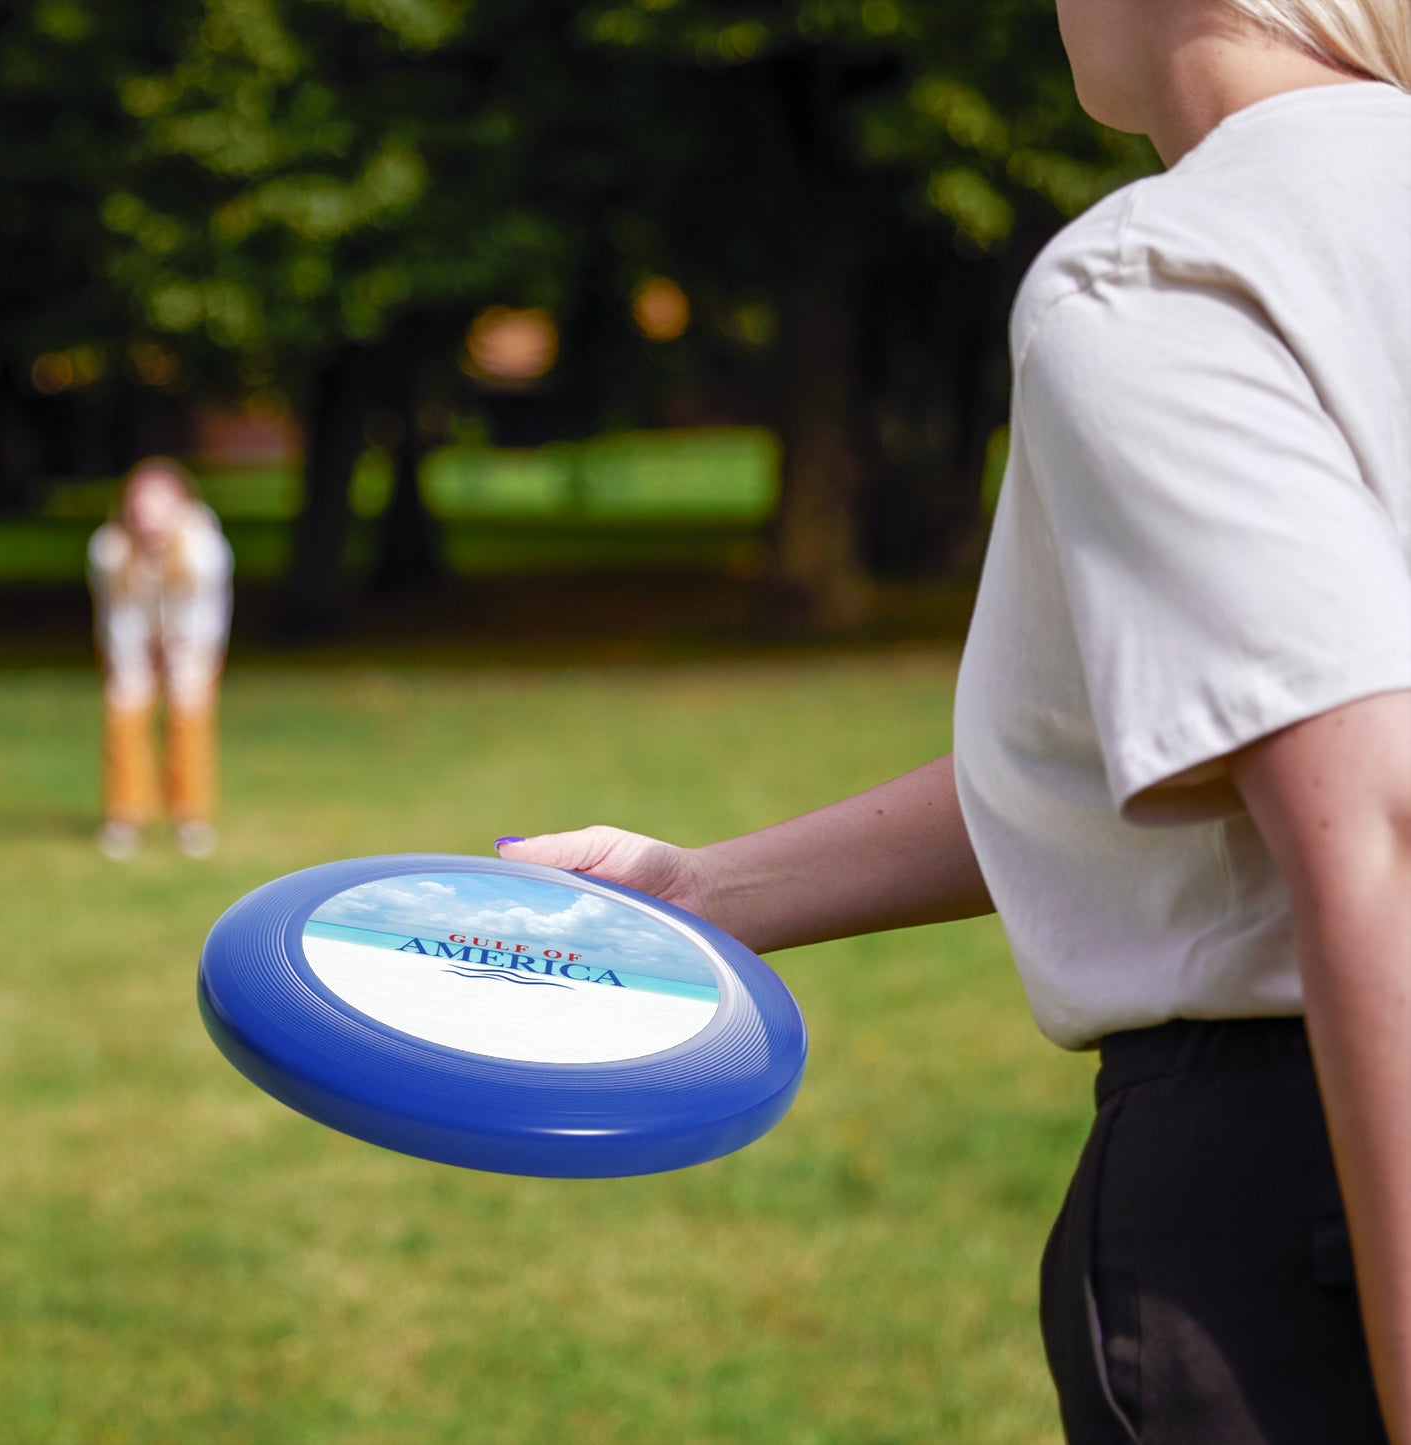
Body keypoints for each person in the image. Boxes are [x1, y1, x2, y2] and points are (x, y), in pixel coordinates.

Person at [495, 2, 1411, 1440]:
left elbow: (1374, 822)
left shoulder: (1170, 269)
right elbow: (1186, 741)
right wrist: (705, 891)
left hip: (1309, 1191)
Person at [87, 457, 234, 860]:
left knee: (189, 717)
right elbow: (118, 616)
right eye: (140, 506)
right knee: (124, 712)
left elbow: (205, 616)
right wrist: (134, 664)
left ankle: (191, 818)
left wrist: (181, 659)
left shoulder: (205, 549)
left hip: (192, 641)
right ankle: (124, 816)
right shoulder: (109, 549)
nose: (148, 517)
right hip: (131, 640)